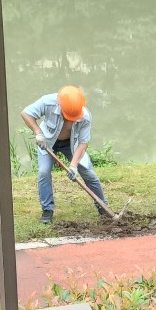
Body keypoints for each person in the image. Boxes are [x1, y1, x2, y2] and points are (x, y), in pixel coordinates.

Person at [21, 85, 110, 224]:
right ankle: (47, 210)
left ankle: (103, 206)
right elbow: (26, 113)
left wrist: (73, 166)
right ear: (60, 104)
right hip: (47, 141)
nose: (71, 120)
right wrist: (38, 133)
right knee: (44, 172)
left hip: (72, 144)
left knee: (88, 173)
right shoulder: (47, 102)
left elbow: (83, 143)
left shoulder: (85, 116)